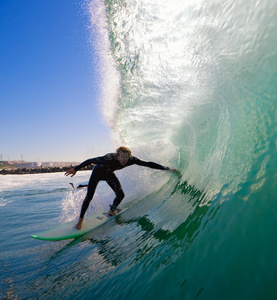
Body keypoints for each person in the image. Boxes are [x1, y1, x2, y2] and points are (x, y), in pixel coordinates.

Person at [65, 146, 177, 230]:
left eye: (126, 158)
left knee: (121, 195)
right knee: (89, 197)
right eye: (121, 158)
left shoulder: (132, 160)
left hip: (109, 174)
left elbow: (148, 164)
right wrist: (76, 168)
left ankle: (111, 210)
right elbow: (90, 161)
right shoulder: (108, 158)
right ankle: (80, 221)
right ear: (117, 155)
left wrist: (166, 169)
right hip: (97, 173)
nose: (123, 161)